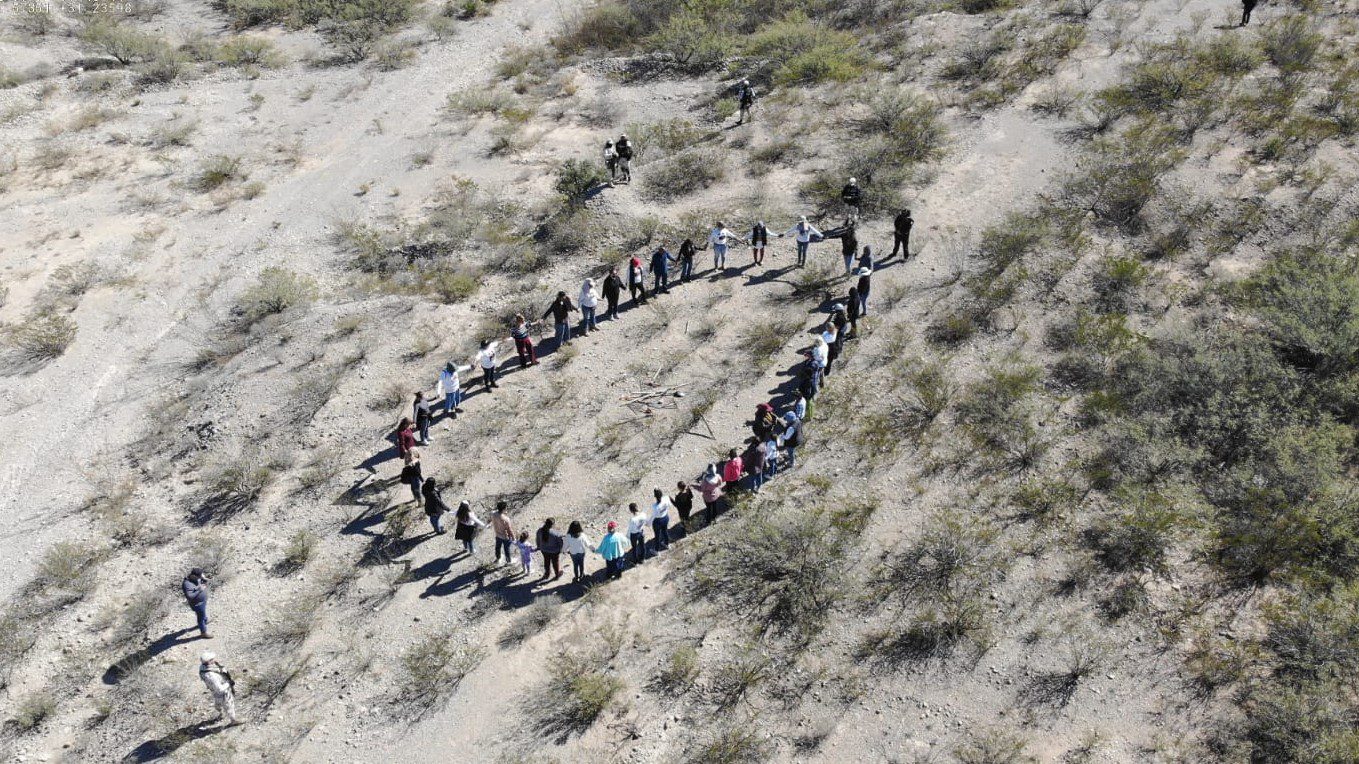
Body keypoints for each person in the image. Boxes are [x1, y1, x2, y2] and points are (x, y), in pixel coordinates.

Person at [199, 652, 237, 725]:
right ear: (208, 662)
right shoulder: (211, 676)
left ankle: (221, 714)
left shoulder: (203, 667)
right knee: (229, 705)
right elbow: (220, 689)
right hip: (223, 692)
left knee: (218, 704)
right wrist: (229, 683)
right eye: (212, 659)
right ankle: (233, 721)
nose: (215, 659)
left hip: (214, 691)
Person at [182, 568, 211, 639]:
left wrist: (204, 579)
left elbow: (203, 582)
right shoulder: (187, 584)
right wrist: (200, 590)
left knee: (202, 613)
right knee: (200, 617)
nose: (200, 578)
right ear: (194, 576)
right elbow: (189, 596)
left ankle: (205, 620)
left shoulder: (196, 578)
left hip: (202, 601)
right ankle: (203, 633)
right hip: (197, 604)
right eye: (199, 576)